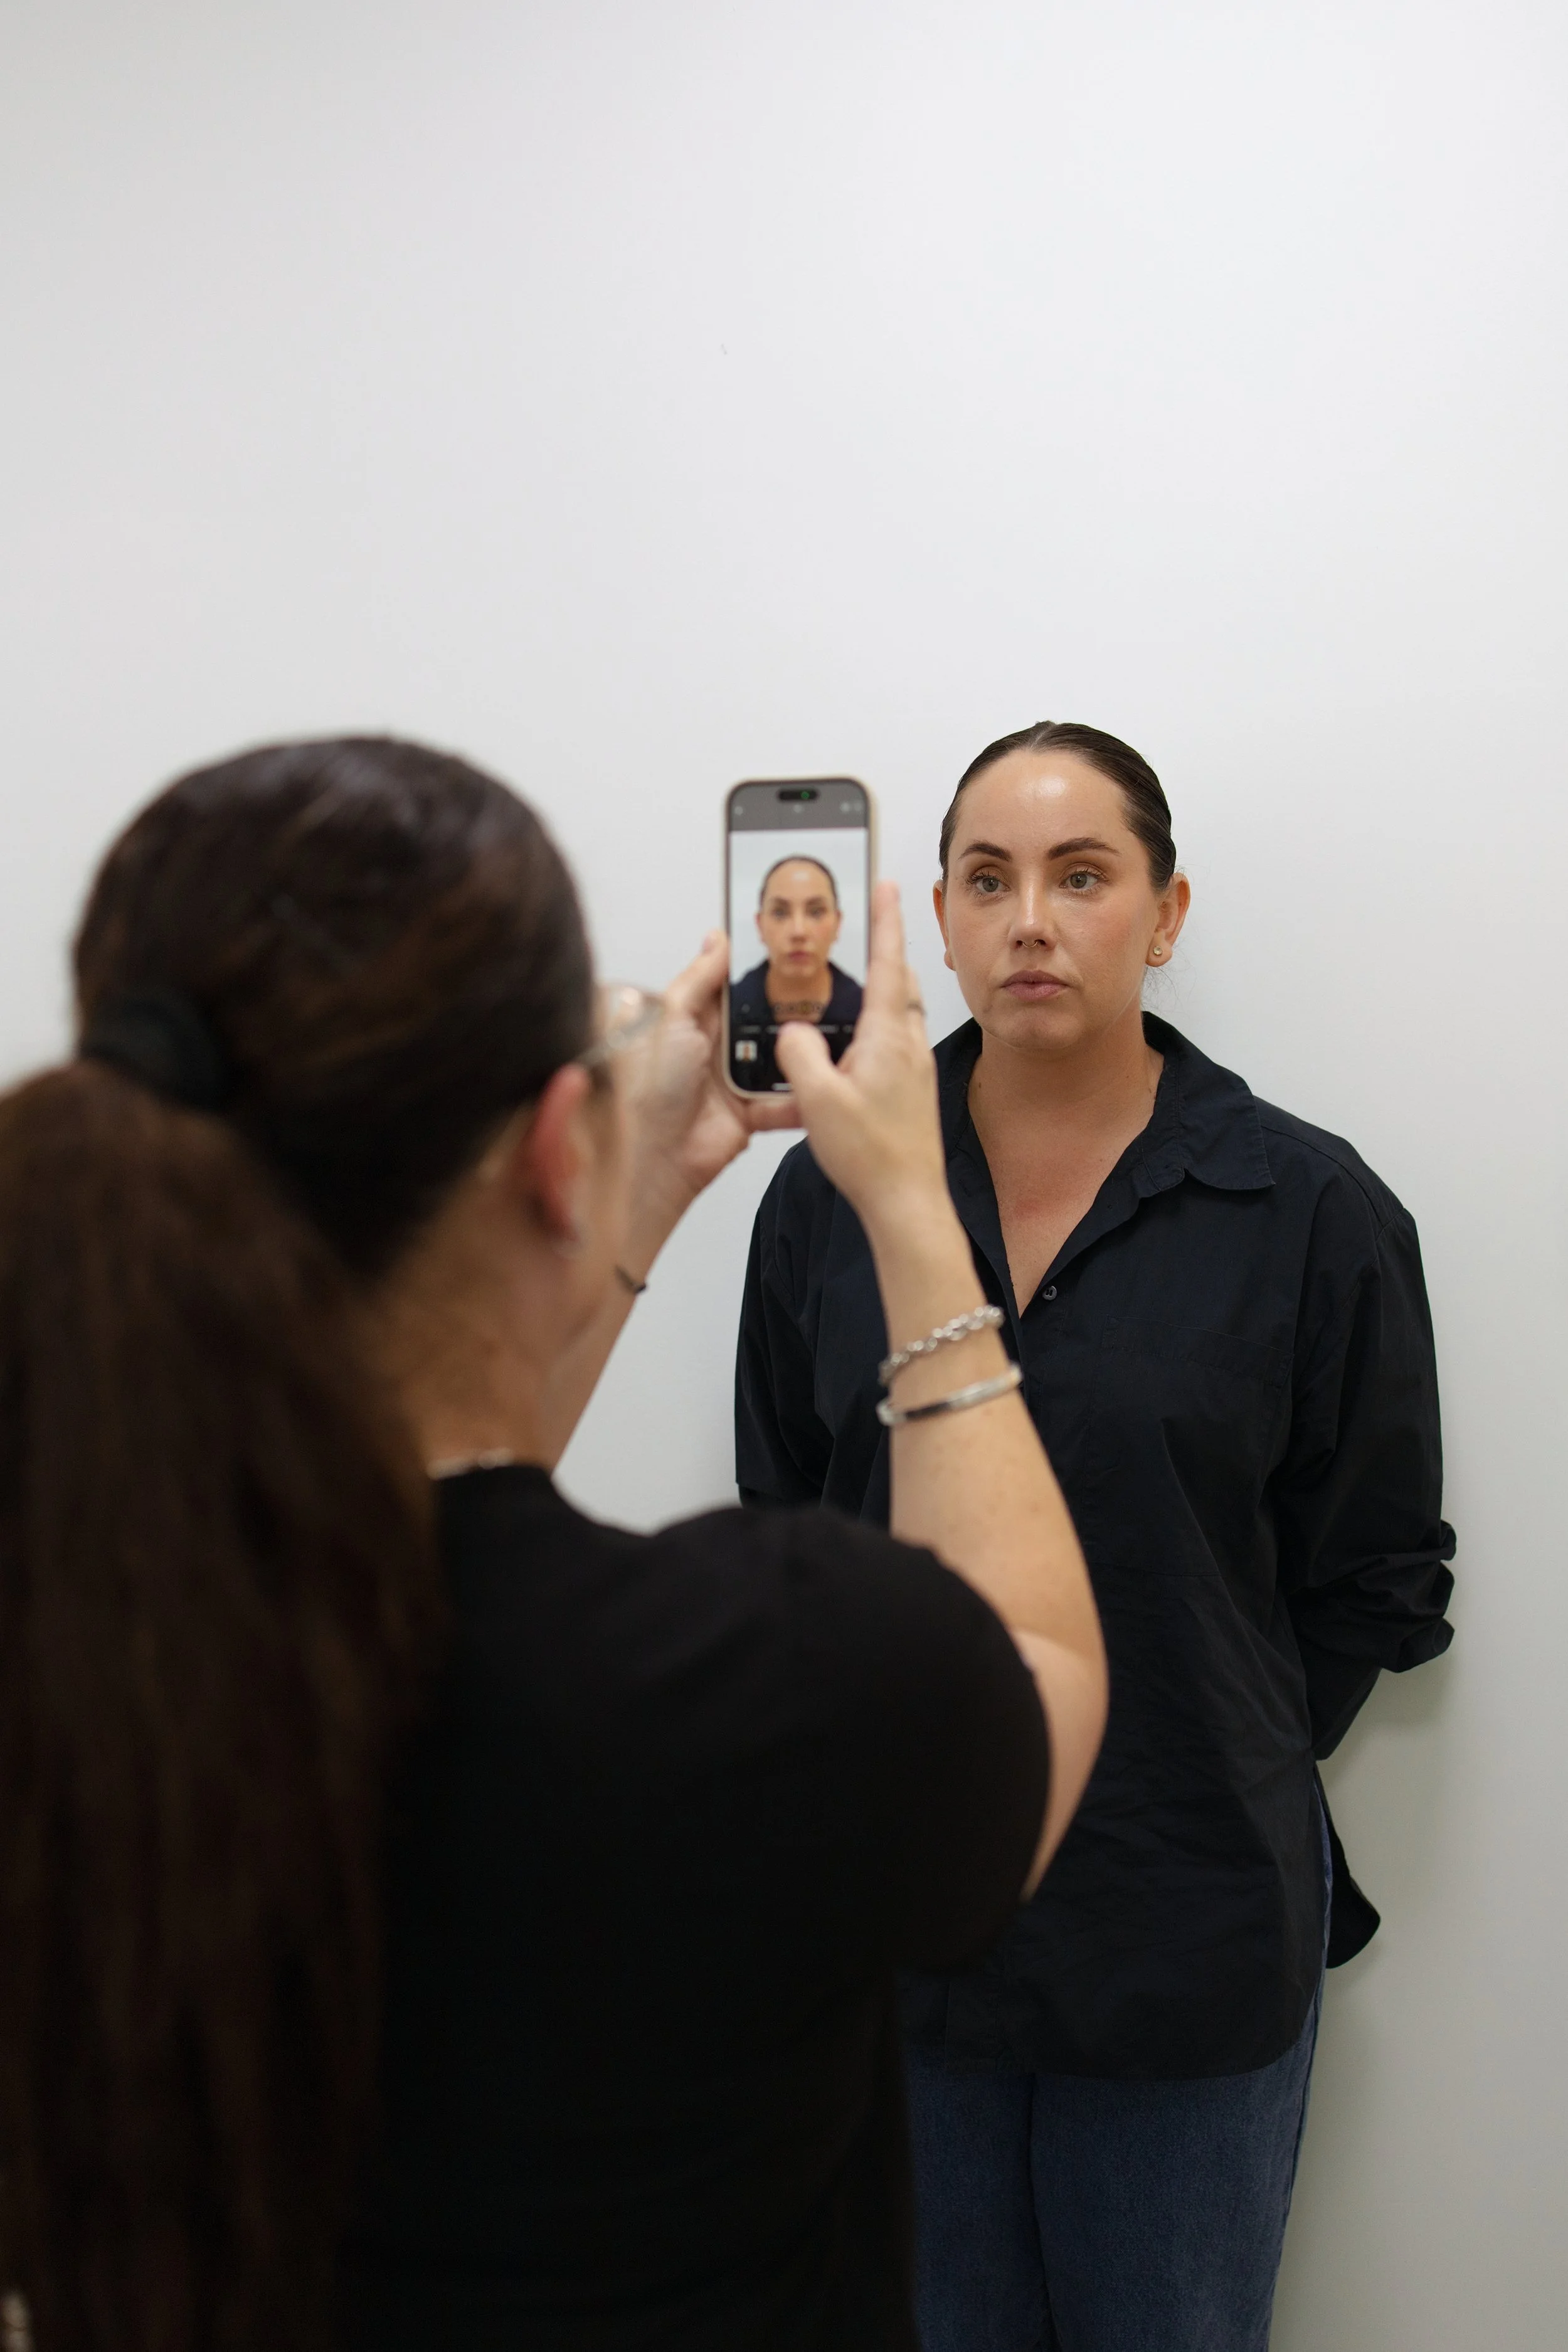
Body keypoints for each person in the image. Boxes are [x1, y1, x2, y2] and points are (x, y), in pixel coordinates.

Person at [0, 736, 1106, 2352]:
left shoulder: (74, 1652)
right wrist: (913, 1210)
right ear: (544, 1146)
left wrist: (619, 1205)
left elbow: (425, 1482)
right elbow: (1038, 1656)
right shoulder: (769, 1680)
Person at [736, 720, 1456, 2352]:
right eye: (986, 880)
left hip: (1185, 1933)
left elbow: (1372, 1574)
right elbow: (788, 1519)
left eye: (1079, 876)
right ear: (934, 916)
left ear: (1165, 911)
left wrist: (1197, 1754)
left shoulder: (1308, 1208)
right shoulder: (830, 1192)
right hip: (898, 1929)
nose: (1029, 922)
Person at [729, 856, 864, 1088]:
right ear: (760, 925)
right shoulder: (725, 1011)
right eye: (780, 913)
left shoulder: (870, 1015)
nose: (799, 932)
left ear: (838, 923)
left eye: (816, 912)